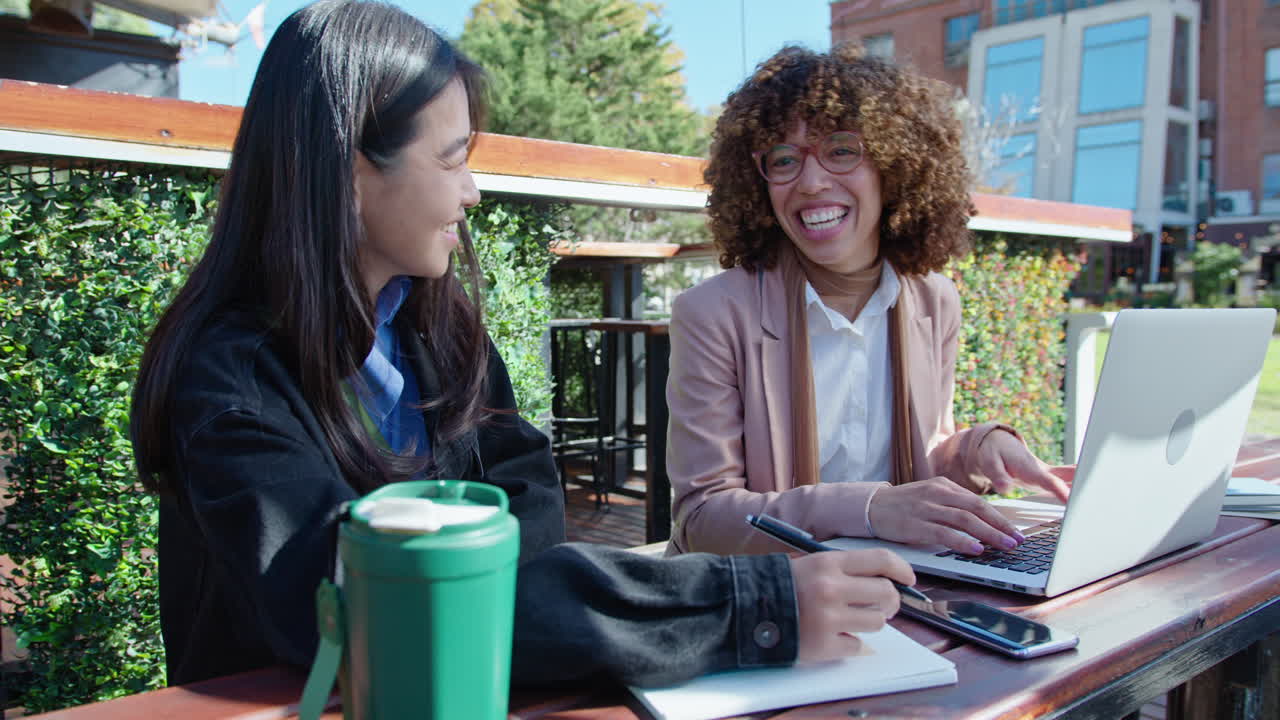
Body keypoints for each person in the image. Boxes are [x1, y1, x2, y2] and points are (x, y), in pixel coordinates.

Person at [129, 0, 915, 691]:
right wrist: (756, 607)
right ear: (349, 170)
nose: (471, 191)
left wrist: (508, 598)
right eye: (453, 159)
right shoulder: (229, 374)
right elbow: (363, 604)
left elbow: (528, 491)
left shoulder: (433, 329)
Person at [665, 44, 1073, 559]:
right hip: (768, 601)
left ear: (894, 166)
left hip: (901, 585)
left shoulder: (934, 300)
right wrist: (869, 510)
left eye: (841, 150)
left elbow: (927, 455)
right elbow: (703, 519)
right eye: (785, 159)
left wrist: (977, 449)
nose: (811, 183)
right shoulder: (712, 313)